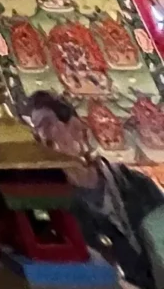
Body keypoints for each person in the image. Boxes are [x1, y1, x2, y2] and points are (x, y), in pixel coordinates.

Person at [26, 90, 164, 287]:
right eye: (34, 132)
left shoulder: (138, 185)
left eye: (46, 125)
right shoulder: (48, 208)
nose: (40, 137)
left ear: (76, 127)